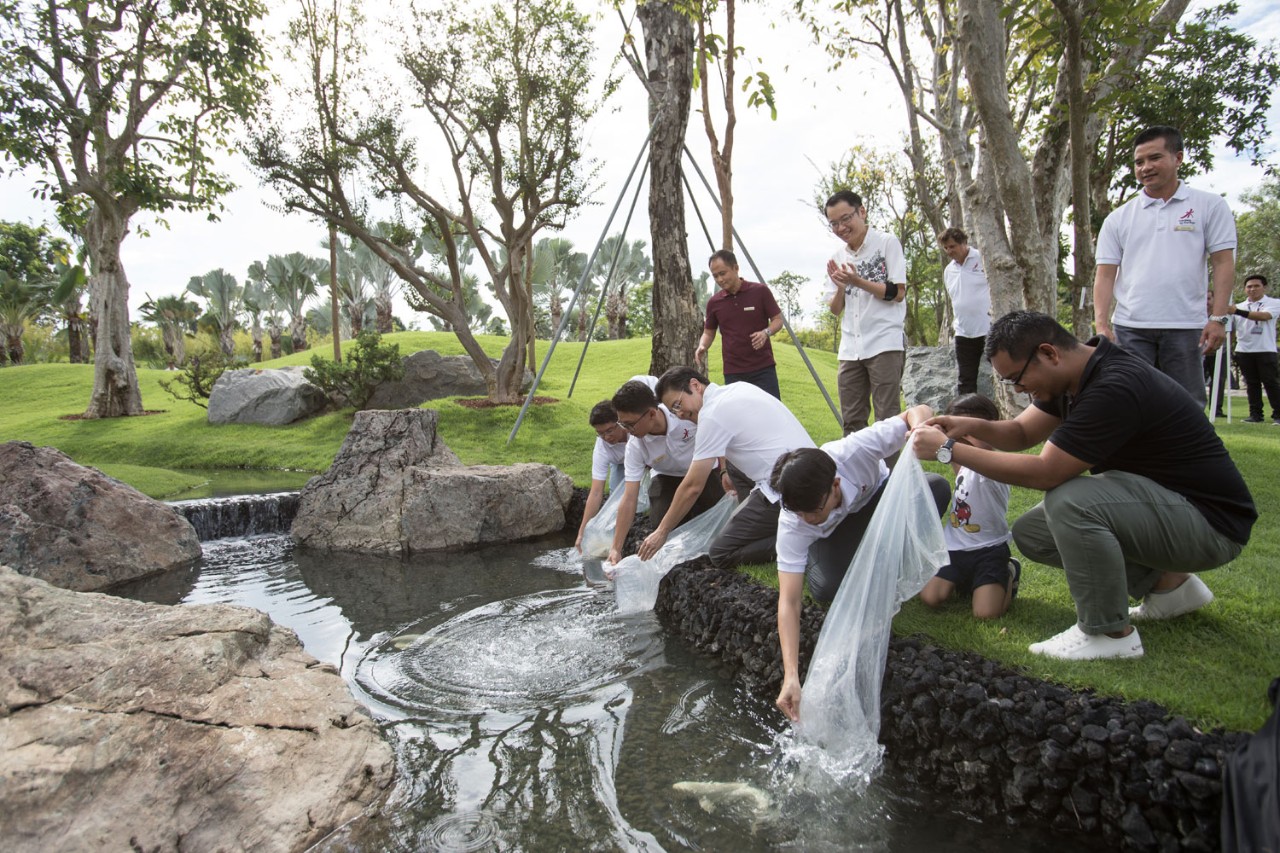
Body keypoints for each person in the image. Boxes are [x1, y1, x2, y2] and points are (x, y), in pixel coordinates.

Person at [911, 311, 1256, 661]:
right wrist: (963, 425)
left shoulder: (1113, 386)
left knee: (1071, 499)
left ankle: (1107, 632)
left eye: (1017, 378)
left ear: (1048, 353)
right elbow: (1021, 433)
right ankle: (1169, 586)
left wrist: (946, 451)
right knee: (1033, 531)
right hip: (1172, 509)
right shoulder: (1077, 377)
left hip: (1211, 525)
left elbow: (1046, 472)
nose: (1018, 390)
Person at [771, 404, 951, 721]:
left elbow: (917, 411)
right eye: (800, 514)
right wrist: (791, 675)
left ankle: (883, 562)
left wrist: (922, 430)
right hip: (832, 536)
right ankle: (825, 557)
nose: (807, 519)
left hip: (874, 503)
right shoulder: (795, 522)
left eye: (813, 512)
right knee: (828, 586)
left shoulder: (855, 450)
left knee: (934, 487)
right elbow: (789, 600)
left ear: (835, 485)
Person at [1093, 125, 1238, 406]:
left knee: (1187, 405)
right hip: (1130, 327)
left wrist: (1218, 318)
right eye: (1139, 162)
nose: (1146, 167)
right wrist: (1101, 324)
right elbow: (1105, 275)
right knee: (1130, 402)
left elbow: (1223, 263)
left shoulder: (1209, 206)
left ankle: (1191, 452)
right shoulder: (1118, 218)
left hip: (1186, 325)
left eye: (1155, 158)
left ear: (1178, 158)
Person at [637, 366, 815, 569]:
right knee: (733, 473)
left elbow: (693, 486)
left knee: (720, 552)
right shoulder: (737, 388)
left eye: (678, 404)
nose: (680, 414)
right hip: (811, 468)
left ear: (695, 386)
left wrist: (661, 532)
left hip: (787, 488)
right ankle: (770, 521)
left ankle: (804, 541)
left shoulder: (711, 414)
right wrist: (724, 470)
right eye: (673, 411)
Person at [918, 394, 1019, 620]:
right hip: (955, 547)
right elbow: (951, 449)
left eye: (973, 432)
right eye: (961, 433)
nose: (966, 439)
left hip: (989, 549)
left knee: (985, 614)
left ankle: (1010, 572)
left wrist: (953, 440)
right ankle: (968, 581)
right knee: (930, 598)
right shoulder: (961, 461)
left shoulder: (996, 466)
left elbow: (965, 450)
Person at [605, 380, 726, 565]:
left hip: (703, 472)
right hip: (666, 478)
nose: (627, 431)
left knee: (719, 521)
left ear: (652, 414)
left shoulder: (684, 414)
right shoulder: (635, 446)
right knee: (661, 523)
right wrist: (616, 548)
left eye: (630, 425)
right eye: (622, 425)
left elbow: (721, 431)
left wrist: (725, 470)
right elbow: (629, 498)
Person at [822, 189, 908, 434]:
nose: (841, 228)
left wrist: (857, 281)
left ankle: (889, 473)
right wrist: (840, 288)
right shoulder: (837, 257)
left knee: (887, 419)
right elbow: (835, 309)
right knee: (851, 421)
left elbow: (898, 292)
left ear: (862, 211)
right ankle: (858, 473)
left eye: (846, 219)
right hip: (850, 348)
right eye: (834, 224)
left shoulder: (887, 243)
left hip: (884, 342)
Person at [696, 249, 784, 400]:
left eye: (723, 273)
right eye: (715, 276)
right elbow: (709, 332)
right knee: (738, 418)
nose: (720, 279)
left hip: (763, 369)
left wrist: (765, 333)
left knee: (771, 415)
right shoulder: (714, 302)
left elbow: (778, 320)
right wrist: (702, 346)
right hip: (733, 372)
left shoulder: (760, 291)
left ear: (736, 268)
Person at [938, 227, 991, 395]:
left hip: (989, 328)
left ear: (964, 242)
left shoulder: (982, 259)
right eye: (946, 248)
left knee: (1002, 374)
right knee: (965, 380)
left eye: (952, 246)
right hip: (963, 331)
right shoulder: (949, 271)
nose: (949, 251)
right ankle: (967, 416)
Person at [1233, 274, 1280, 424]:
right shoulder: (1239, 306)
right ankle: (1255, 415)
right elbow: (1233, 329)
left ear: (1264, 287)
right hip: (1244, 350)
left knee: (1271, 383)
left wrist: (1235, 311)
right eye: (1249, 286)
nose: (1252, 289)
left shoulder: (1273, 303)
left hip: (1265, 349)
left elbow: (1264, 316)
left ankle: (1278, 415)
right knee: (1251, 384)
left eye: (1256, 286)